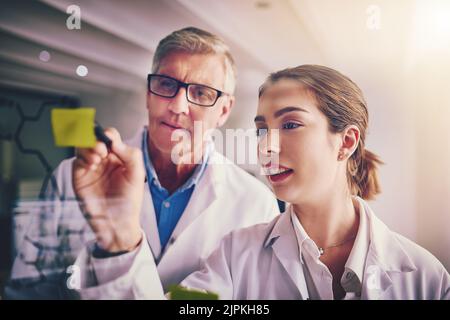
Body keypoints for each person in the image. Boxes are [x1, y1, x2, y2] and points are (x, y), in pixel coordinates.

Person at [75, 64, 449, 299]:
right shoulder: (235, 257)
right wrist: (120, 235)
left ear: (346, 142)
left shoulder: (427, 279)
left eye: (290, 125)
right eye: (261, 130)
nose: (267, 146)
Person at [5, 27, 279, 299]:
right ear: (149, 94)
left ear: (224, 110)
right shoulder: (69, 178)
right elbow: (29, 290)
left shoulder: (256, 204)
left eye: (202, 93)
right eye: (166, 84)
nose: (178, 106)